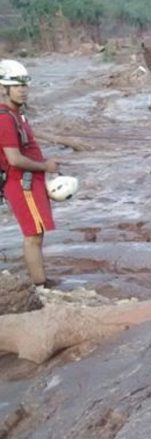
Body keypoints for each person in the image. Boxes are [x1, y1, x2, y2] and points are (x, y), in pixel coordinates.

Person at [0, 59, 61, 288]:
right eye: (16, 86)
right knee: (33, 235)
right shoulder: (5, 119)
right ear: (4, 89)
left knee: (37, 233)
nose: (23, 91)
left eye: (24, 86)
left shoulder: (17, 115)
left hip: (29, 181)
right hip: (21, 183)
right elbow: (14, 159)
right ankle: (40, 285)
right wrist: (45, 166)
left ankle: (41, 281)